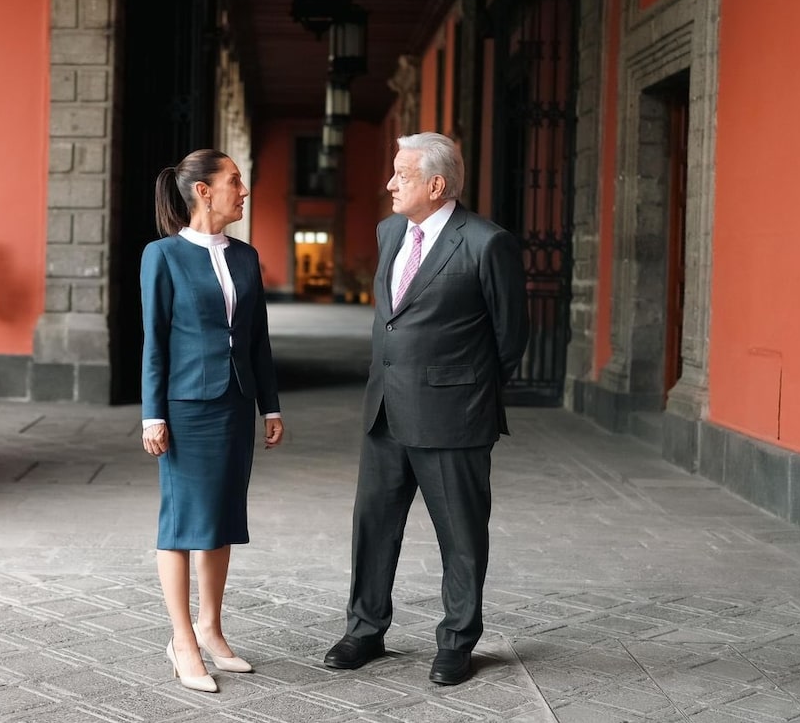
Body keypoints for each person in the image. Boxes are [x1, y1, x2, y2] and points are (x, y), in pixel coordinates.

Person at [323, 132, 529, 686]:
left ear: (436, 185)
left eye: (402, 174)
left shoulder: (487, 243)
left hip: (454, 419)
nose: (389, 183)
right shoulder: (391, 231)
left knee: (461, 535)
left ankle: (459, 641)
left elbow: (509, 340)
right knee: (372, 526)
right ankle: (364, 630)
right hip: (384, 411)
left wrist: (464, 397)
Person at [141, 149, 284, 693]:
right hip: (184, 408)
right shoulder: (163, 256)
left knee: (221, 517)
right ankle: (181, 640)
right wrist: (152, 415)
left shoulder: (246, 257)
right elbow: (154, 342)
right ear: (202, 191)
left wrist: (270, 406)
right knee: (181, 523)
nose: (243, 190)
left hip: (234, 404)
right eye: (235, 181)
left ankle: (212, 629)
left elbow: (259, 341)